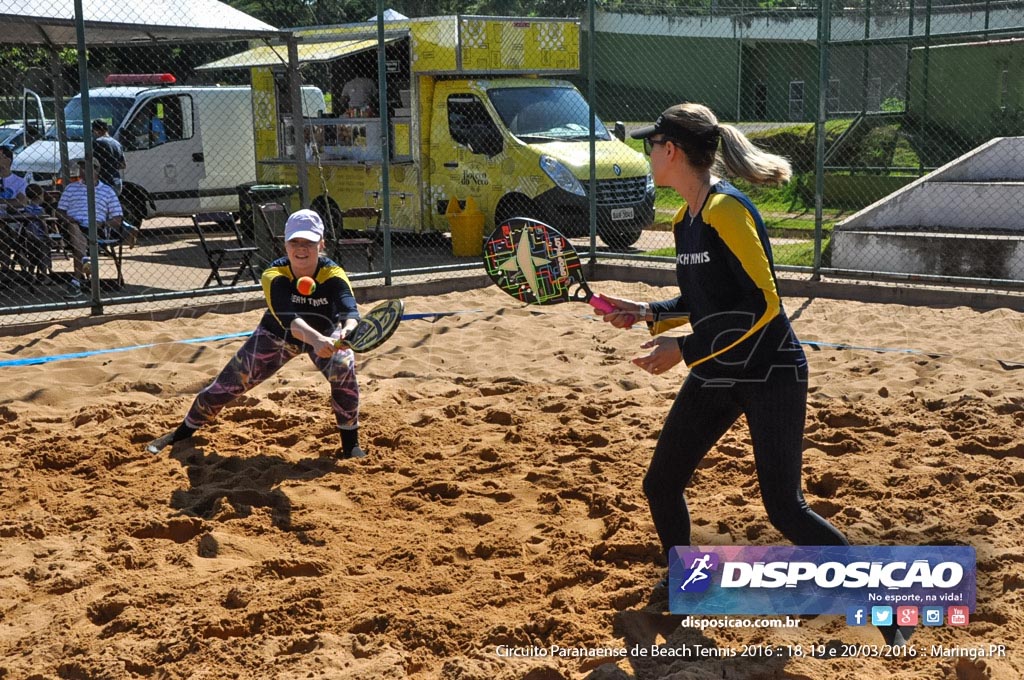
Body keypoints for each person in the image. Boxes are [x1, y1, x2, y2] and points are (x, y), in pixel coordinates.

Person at [600, 103, 912, 646]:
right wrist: (648, 312)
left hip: (771, 371)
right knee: (661, 483)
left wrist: (684, 347)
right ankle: (687, 586)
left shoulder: (727, 210)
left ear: (671, 151)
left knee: (784, 508)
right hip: (720, 371)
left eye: (653, 144)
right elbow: (704, 299)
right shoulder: (684, 220)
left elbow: (762, 304)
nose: (649, 153)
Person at [146, 209, 365, 460]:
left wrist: (345, 334)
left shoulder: (333, 273)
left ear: (321, 244)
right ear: (285, 244)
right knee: (224, 388)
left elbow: (351, 312)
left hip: (327, 334)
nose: (301, 248)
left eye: (309, 242)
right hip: (277, 336)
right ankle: (182, 433)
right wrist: (316, 341)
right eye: (295, 242)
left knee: (343, 368)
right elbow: (289, 319)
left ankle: (350, 446)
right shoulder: (273, 274)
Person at [56, 157, 124, 298]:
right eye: (81, 167)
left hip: (97, 229)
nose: (82, 171)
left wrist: (104, 224)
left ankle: (76, 281)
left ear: (96, 170)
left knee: (81, 236)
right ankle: (85, 260)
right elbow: (60, 211)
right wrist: (68, 218)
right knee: (74, 227)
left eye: (86, 167)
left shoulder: (107, 191)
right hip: (73, 227)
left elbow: (117, 218)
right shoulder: (71, 188)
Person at [20, 183, 52, 283]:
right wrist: (47, 235)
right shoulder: (40, 209)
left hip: (28, 236)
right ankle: (44, 274)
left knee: (32, 255)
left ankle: (31, 274)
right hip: (40, 236)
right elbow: (43, 223)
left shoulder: (26, 208)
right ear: (39, 196)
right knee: (44, 253)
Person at [91, 119, 126, 196]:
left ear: (97, 131)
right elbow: (123, 165)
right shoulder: (117, 144)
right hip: (116, 181)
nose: (93, 134)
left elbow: (93, 164)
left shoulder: (97, 143)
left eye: (93, 131)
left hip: (103, 181)